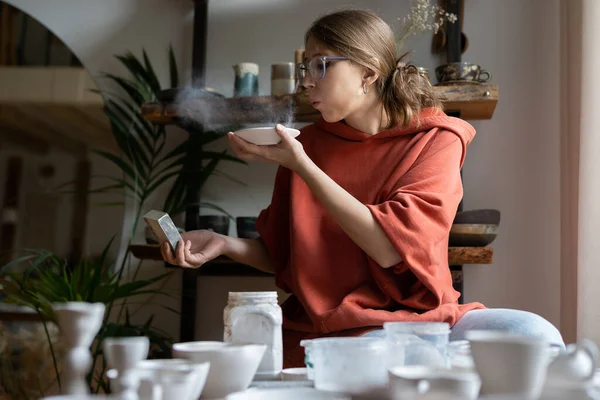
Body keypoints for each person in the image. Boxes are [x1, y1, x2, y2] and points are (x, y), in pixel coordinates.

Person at [162, 9, 564, 367]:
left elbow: (390, 248)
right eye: (305, 69)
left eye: (321, 66)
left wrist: (303, 166)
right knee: (392, 358)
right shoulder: (307, 147)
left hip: (431, 321)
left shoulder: (436, 139)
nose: (306, 83)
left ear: (369, 73)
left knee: (535, 335)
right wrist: (222, 243)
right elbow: (290, 254)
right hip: (342, 328)